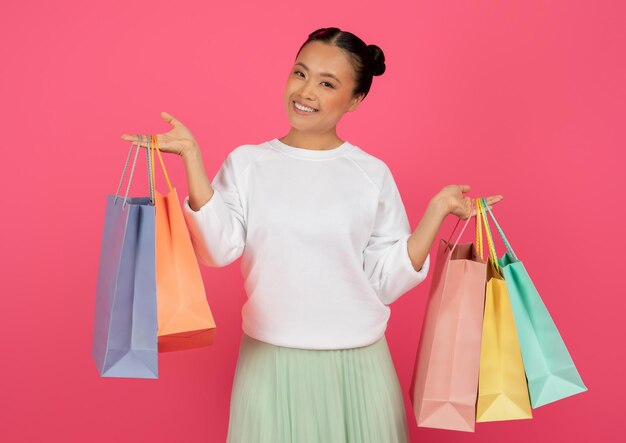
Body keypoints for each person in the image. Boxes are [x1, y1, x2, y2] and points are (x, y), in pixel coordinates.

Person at [122, 26, 503, 443]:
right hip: (270, 363)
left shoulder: (370, 174)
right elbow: (217, 249)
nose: (306, 92)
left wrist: (434, 214)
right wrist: (192, 159)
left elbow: (383, 282)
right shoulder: (249, 164)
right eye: (300, 74)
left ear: (355, 100)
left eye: (327, 83)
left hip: (358, 368)